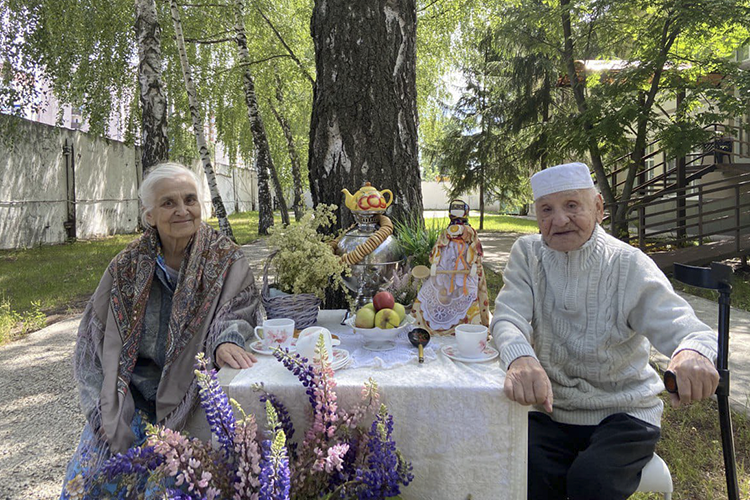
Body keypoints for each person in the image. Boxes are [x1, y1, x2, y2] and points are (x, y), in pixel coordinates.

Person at [491, 162, 720, 500]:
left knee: (592, 481)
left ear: (598, 207)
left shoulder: (629, 264)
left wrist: (692, 352)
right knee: (523, 472)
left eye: (572, 205)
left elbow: (688, 330)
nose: (559, 220)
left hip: (624, 414)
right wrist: (521, 357)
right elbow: (508, 317)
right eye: (546, 210)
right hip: (551, 409)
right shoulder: (528, 255)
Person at [60, 162, 260, 498]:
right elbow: (93, 339)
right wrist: (102, 409)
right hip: (133, 396)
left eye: (190, 200)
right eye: (168, 203)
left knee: (179, 484)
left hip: (193, 394)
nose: (183, 210)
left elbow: (240, 307)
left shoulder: (226, 258)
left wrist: (225, 339)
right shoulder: (125, 266)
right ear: (149, 215)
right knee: (94, 478)